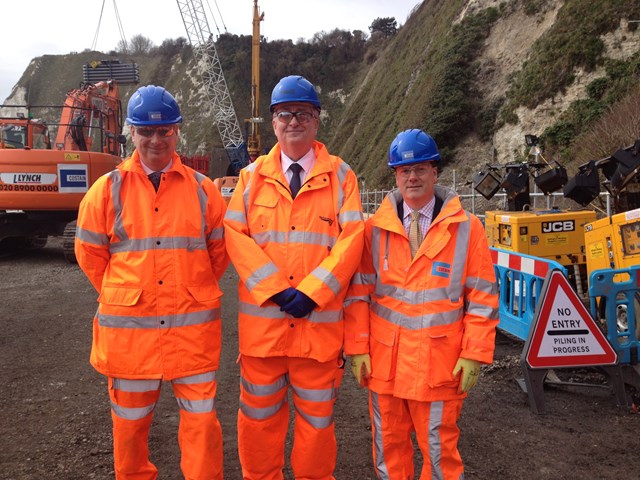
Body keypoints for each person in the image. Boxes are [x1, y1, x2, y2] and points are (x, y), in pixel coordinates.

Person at [75, 85, 229, 480]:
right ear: (131, 132)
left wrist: (187, 288)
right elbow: (91, 256)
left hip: (191, 336)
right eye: (146, 131)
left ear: (178, 131)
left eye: (165, 131)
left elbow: (218, 254)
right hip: (131, 339)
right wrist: (126, 294)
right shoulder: (106, 191)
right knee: (130, 428)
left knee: (201, 427)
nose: (156, 140)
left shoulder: (203, 190)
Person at [223, 74, 365, 480]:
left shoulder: (341, 177)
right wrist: (276, 290)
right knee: (257, 424)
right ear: (273, 122)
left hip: (316, 335)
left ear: (317, 120)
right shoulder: (251, 179)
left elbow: (352, 240)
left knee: (317, 428)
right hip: (263, 338)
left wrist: (312, 293)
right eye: (285, 114)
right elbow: (235, 236)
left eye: (303, 113)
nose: (294, 122)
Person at [344, 129, 499, 479]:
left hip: (438, 365)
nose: (411, 177)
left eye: (420, 169)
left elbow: (483, 298)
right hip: (386, 364)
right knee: (388, 450)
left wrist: (474, 353)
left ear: (435, 172)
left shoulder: (467, 229)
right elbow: (358, 293)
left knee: (440, 453)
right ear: (395, 175)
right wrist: (357, 347)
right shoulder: (374, 230)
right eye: (403, 171)